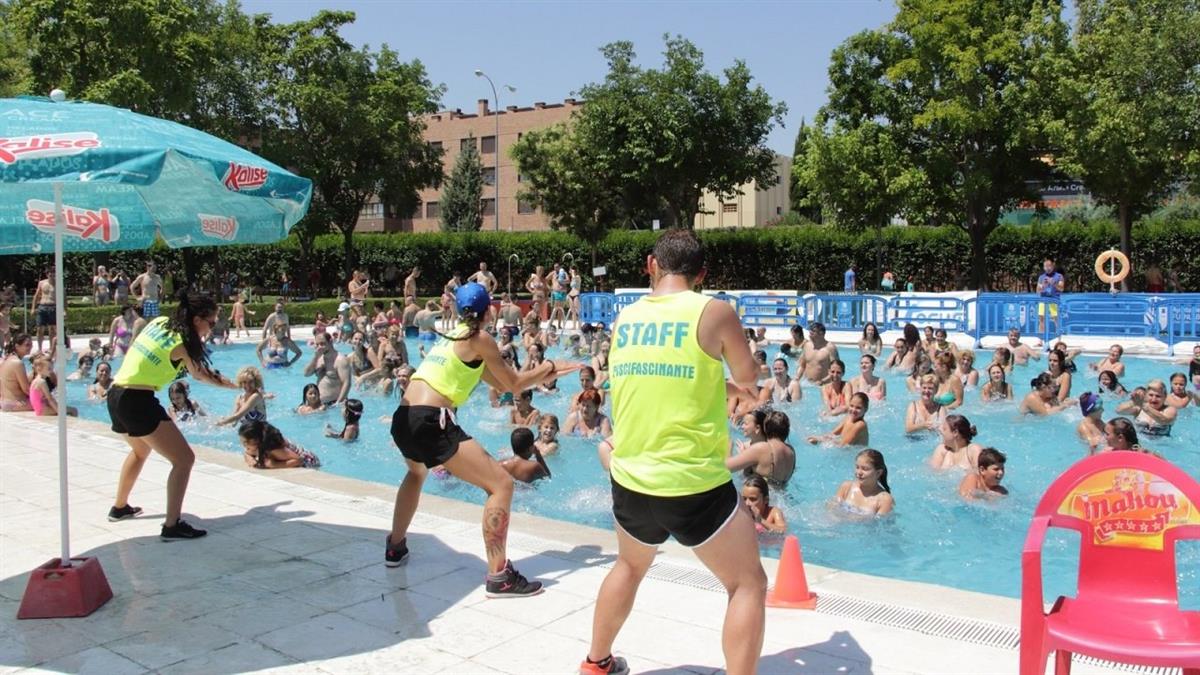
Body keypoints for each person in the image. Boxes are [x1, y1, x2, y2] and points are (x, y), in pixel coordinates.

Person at [584, 229, 764, 675]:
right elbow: (749, 377)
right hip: (690, 482)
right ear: (702, 274)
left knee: (628, 565)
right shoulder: (714, 311)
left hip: (630, 476)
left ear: (651, 264)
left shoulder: (626, 318)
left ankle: (595, 663)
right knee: (747, 584)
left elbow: (654, 377)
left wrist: (712, 385)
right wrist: (736, 383)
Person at [387, 282, 579, 597]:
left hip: (404, 417)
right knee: (501, 484)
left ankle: (394, 547)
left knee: (416, 472)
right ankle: (499, 575)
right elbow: (516, 383)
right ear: (488, 310)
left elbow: (504, 384)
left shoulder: (452, 338)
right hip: (430, 419)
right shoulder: (480, 337)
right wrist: (549, 366)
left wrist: (545, 373)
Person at [106, 291, 239, 537]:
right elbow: (200, 374)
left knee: (140, 451)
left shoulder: (159, 323)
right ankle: (172, 525)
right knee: (184, 460)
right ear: (197, 319)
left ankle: (120, 507)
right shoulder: (181, 344)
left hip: (115, 395)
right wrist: (232, 385)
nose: (210, 328)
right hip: (136, 401)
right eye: (210, 322)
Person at [832, 449, 894, 516]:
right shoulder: (846, 487)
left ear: (878, 473)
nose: (859, 472)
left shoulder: (884, 500)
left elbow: (880, 525)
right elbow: (831, 510)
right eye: (857, 467)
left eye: (865, 469)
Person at [239, 420, 321, 469]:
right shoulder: (256, 446)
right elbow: (247, 452)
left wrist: (276, 465)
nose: (245, 446)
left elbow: (298, 460)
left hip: (309, 460)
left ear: (257, 440)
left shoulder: (274, 449)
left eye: (246, 442)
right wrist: (250, 459)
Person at [304, 333, 352, 406]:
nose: (320, 347)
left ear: (331, 341)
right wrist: (315, 357)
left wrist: (338, 403)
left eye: (322, 344)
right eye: (317, 345)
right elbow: (306, 374)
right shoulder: (318, 358)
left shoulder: (340, 360)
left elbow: (347, 383)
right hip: (318, 403)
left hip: (333, 403)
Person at [0, 333, 33, 411]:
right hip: (15, 402)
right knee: (52, 405)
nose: (30, 347)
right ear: (17, 346)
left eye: (31, 345)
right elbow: (26, 389)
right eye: (27, 345)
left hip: (5, 401)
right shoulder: (17, 363)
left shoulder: (6, 360)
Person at [30, 267, 57, 353]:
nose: (52, 275)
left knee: (52, 329)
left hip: (53, 306)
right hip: (42, 306)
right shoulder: (42, 283)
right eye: (50, 273)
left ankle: (50, 348)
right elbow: (36, 295)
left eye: (53, 273)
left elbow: (63, 297)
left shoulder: (58, 283)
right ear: (47, 274)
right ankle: (40, 348)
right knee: (40, 329)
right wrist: (33, 308)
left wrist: (64, 310)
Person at [1036, 258, 1063, 333]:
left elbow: (1061, 289)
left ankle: (1059, 338)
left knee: (1056, 318)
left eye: (1049, 266)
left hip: (1054, 299)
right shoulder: (1041, 277)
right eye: (1045, 266)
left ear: (1053, 266)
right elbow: (1037, 291)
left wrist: (1053, 283)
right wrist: (1043, 286)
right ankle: (1040, 339)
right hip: (1043, 299)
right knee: (1041, 318)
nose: (1047, 268)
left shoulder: (1059, 276)